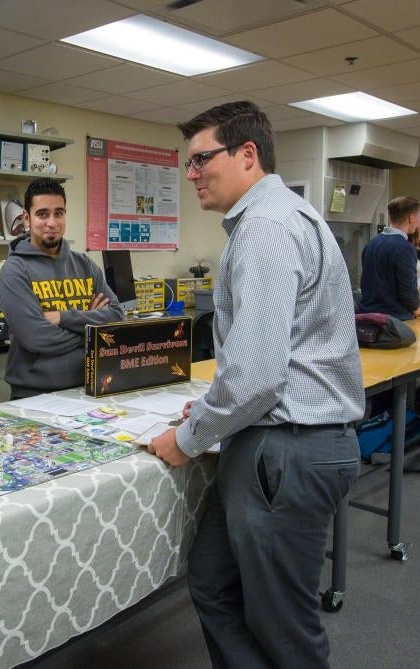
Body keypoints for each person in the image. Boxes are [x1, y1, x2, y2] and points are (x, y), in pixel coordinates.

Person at [149, 101, 364, 668]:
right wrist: (220, 404)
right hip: (277, 441)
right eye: (188, 163)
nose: (191, 174)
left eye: (201, 160)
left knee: (283, 629)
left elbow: (258, 379)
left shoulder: (266, 227)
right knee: (214, 584)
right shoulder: (279, 217)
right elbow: (264, 360)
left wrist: (190, 436)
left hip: (287, 450)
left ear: (247, 155)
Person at [0, 178, 125, 399]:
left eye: (59, 213)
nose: (52, 222)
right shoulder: (15, 270)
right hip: (34, 396)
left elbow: (117, 318)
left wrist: (63, 318)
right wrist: (93, 329)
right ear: (27, 218)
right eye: (43, 214)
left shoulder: (85, 265)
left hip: (88, 389)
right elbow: (36, 338)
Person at [359, 196, 420, 319]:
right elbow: (407, 291)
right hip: (395, 318)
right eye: (419, 217)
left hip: (367, 315)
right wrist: (416, 308)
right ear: (411, 218)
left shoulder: (371, 243)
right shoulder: (405, 248)